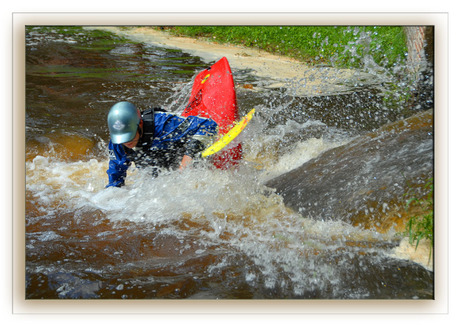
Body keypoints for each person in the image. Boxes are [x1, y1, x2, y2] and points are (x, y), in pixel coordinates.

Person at [106, 101, 218, 188]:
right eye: (122, 138)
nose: (126, 142)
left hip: (179, 153)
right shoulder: (117, 142)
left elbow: (208, 125)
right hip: (156, 171)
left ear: (140, 123)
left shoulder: (164, 125)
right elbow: (115, 177)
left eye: (129, 135)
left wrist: (186, 161)